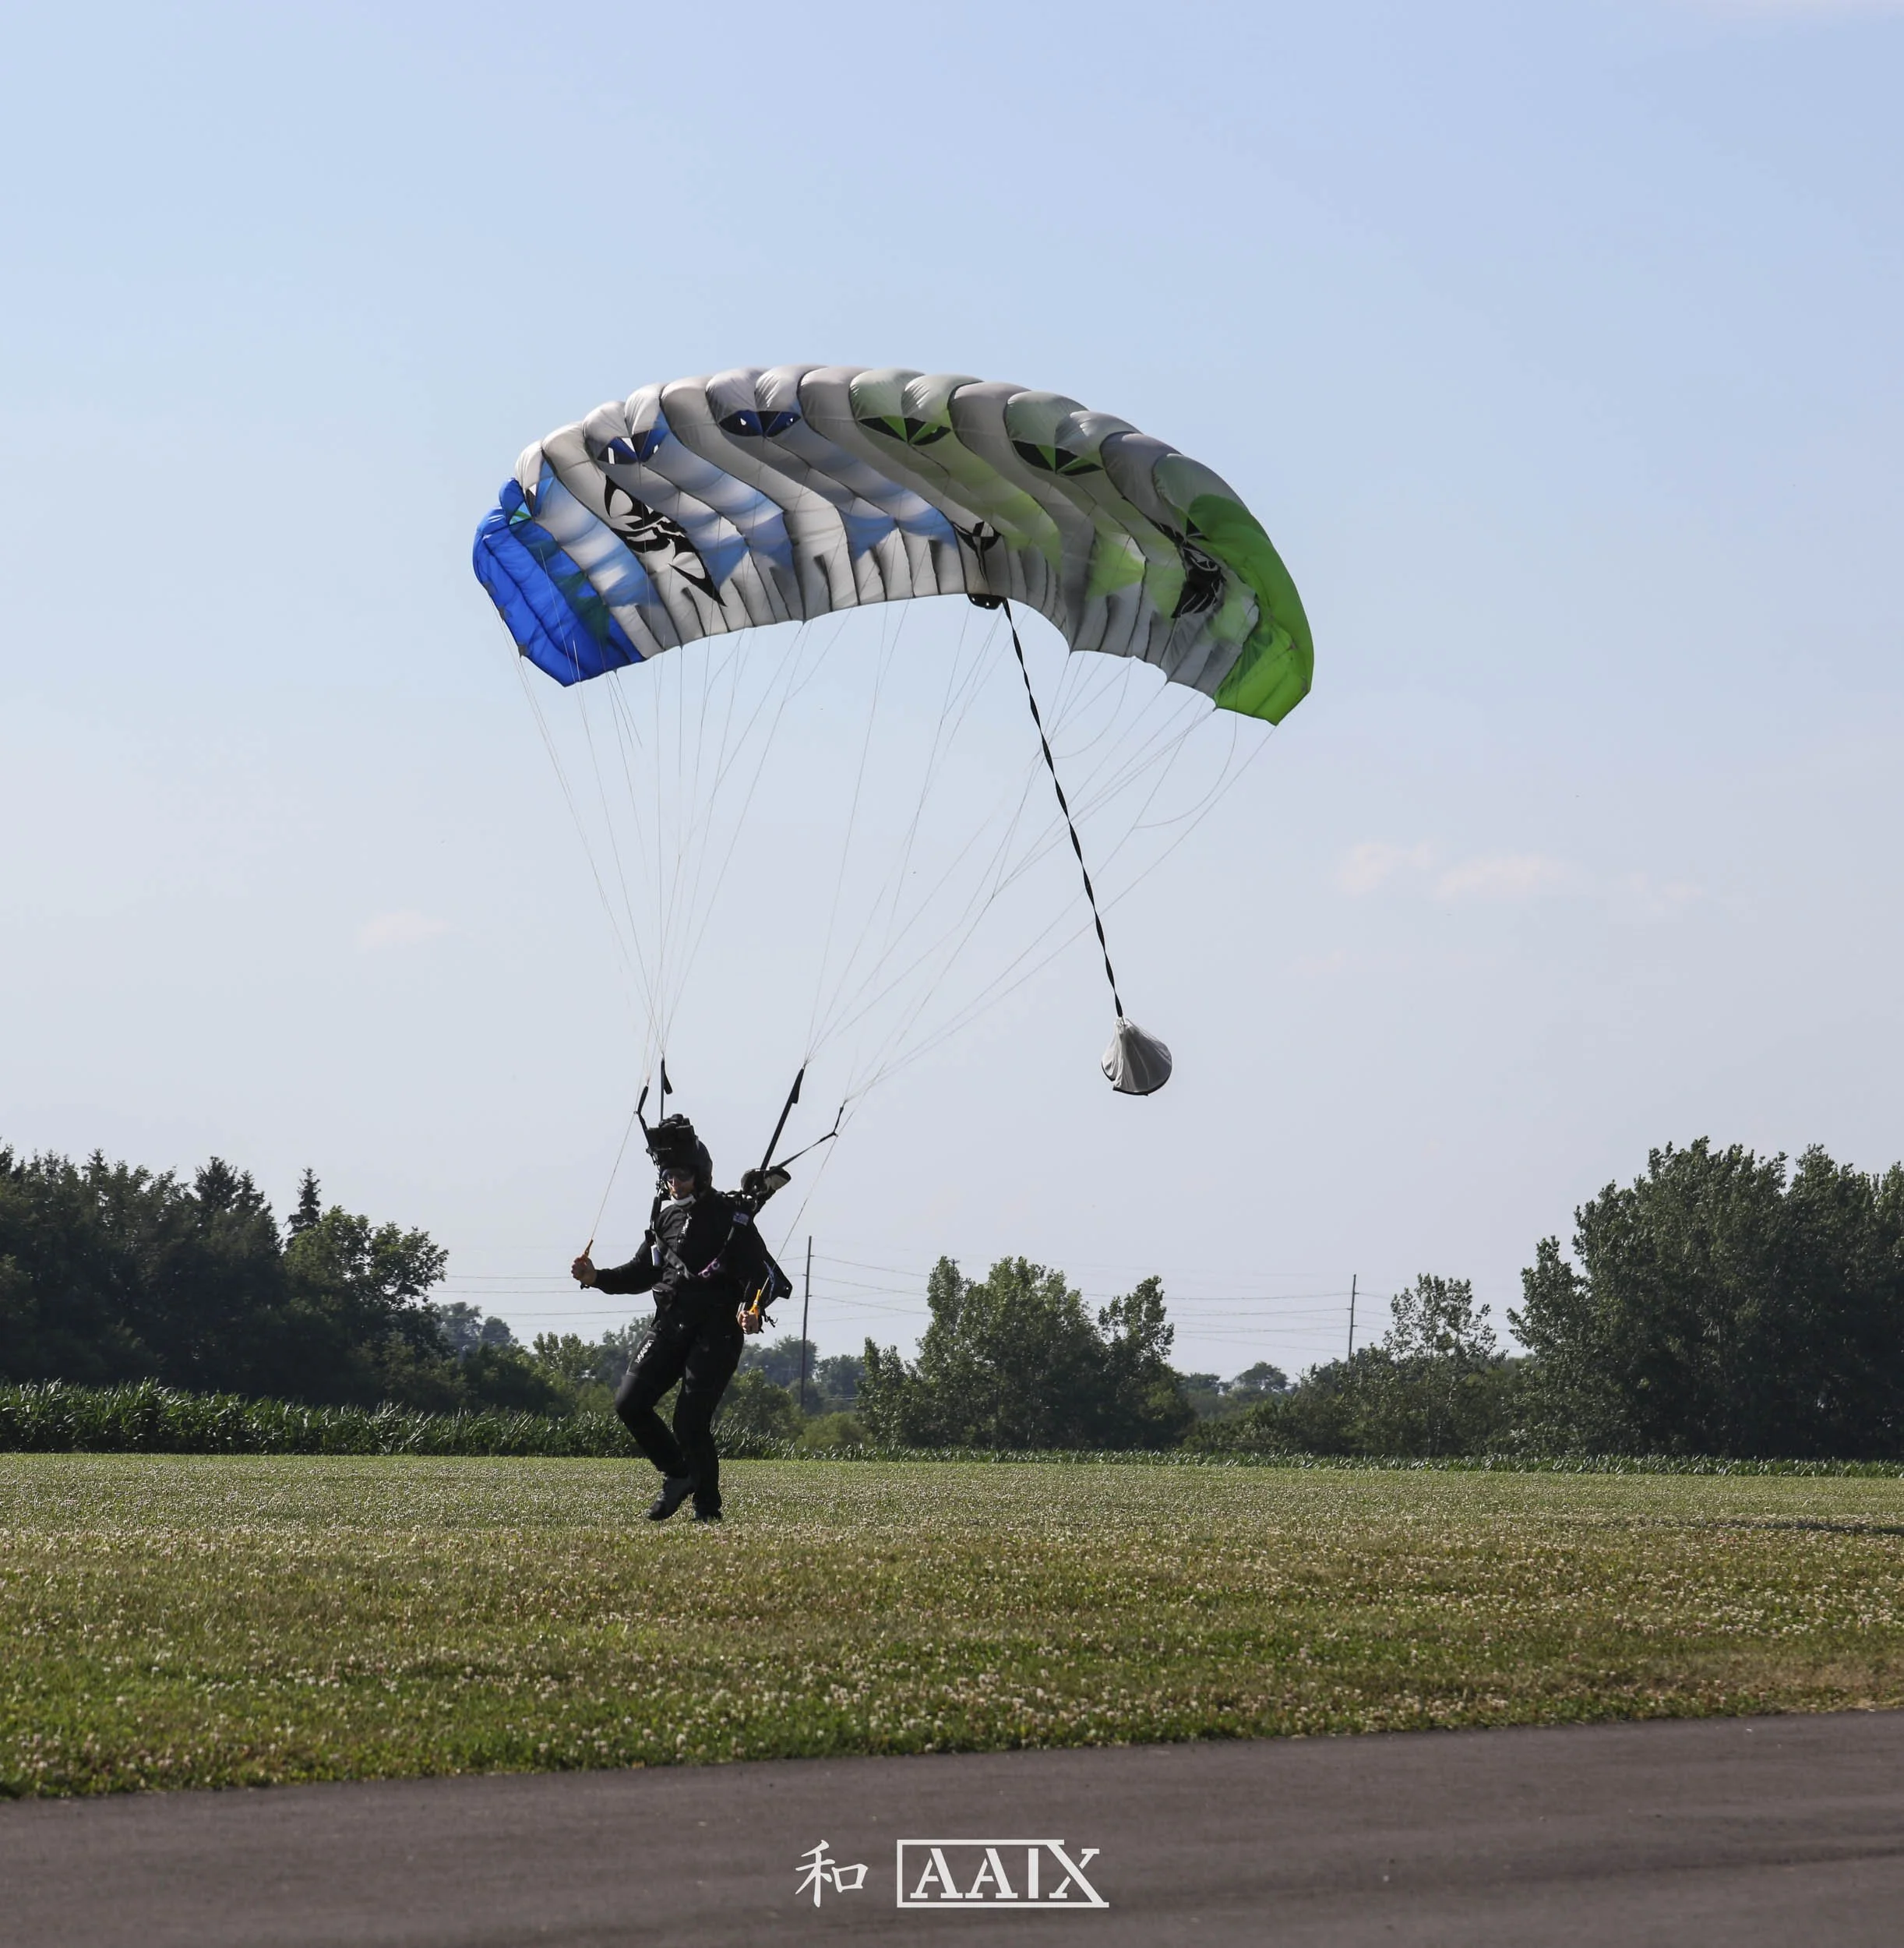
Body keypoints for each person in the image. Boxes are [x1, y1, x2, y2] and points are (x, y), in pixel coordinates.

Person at [571, 1114, 774, 1523]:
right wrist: (596, 1278)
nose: (673, 1183)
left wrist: (753, 1311)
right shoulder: (664, 1220)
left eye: (680, 1175)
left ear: (699, 1175)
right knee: (630, 1403)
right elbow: (643, 1272)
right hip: (670, 1325)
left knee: (689, 1421)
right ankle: (678, 1475)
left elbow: (763, 1275)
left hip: (716, 1332)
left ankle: (707, 1510)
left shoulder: (729, 1217)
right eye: (668, 1176)